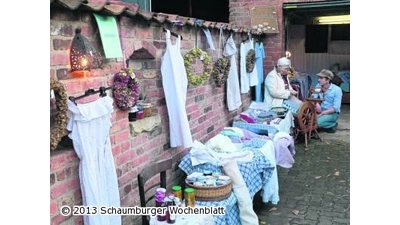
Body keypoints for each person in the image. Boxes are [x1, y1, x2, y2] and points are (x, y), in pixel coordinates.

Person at [314, 69, 343, 133]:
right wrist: (316, 103)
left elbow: (336, 108)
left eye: (321, 78)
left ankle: (333, 125)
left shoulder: (337, 90)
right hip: (321, 111)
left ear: (328, 80)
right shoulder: (318, 86)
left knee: (316, 123)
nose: (319, 80)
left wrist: (321, 114)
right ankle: (324, 123)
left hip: (332, 113)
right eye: (319, 78)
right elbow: (313, 97)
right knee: (310, 121)